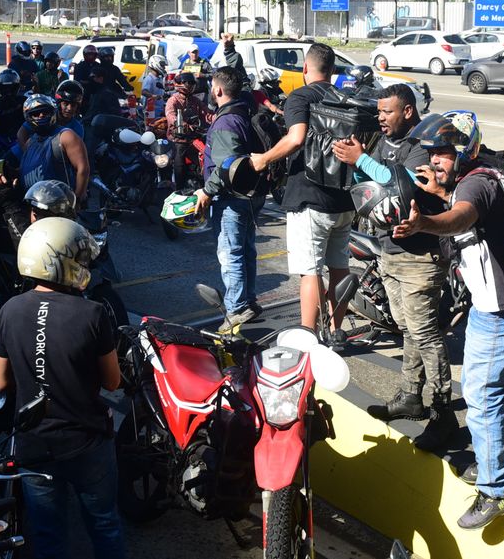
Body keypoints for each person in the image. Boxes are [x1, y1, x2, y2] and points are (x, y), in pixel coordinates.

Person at [391, 109, 504, 530]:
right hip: (495, 307)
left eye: (443, 153)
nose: (435, 159)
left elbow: (463, 217)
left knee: (481, 397)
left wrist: (426, 222)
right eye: (433, 152)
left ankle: (496, 491)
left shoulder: (476, 184)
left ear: (464, 152)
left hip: (502, 313)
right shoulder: (471, 176)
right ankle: (490, 464)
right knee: (483, 395)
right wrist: (438, 190)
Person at [0, 217, 126, 559]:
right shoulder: (93, 313)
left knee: (49, 536)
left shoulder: (9, 310)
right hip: (87, 441)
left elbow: (1, 381)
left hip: (34, 444)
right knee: (104, 525)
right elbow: (113, 381)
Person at [332, 84, 454, 449]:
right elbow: (367, 183)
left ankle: (442, 413)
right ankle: (410, 395)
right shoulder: (382, 143)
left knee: (427, 334)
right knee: (407, 328)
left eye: (387, 112)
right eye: (380, 112)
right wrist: (353, 166)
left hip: (420, 257)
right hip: (390, 250)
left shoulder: (420, 148)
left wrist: (361, 160)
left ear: (408, 112)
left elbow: (401, 185)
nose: (380, 117)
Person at [250, 43, 354, 337]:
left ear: (305, 68)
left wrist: (264, 159)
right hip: (345, 200)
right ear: (333, 70)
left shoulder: (300, 97)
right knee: (339, 268)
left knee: (310, 271)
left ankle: (307, 335)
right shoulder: (345, 97)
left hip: (310, 200)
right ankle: (335, 330)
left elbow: (295, 138)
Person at [195, 67, 263, 332]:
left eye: (213, 86)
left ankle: (235, 309)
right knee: (246, 250)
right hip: (251, 196)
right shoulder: (245, 110)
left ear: (218, 90)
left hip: (231, 198)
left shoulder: (225, 122)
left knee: (231, 253)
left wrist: (206, 191)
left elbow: (226, 166)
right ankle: (249, 301)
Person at [17, 95, 90, 203]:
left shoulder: (65, 136)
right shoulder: (30, 142)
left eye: (45, 112)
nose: (41, 116)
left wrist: (77, 200)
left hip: (60, 206)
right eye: (36, 114)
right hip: (34, 205)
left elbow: (83, 169)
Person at [164, 72, 212, 191]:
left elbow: (207, 113)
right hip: (178, 139)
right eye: (187, 83)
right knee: (179, 166)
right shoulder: (173, 100)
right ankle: (178, 190)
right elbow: (170, 115)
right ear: (180, 84)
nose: (190, 85)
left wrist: (219, 118)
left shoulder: (195, 100)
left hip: (194, 137)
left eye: (192, 83)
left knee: (206, 157)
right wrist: (182, 124)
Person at [0, 68, 26, 138]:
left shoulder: (24, 100)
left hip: (21, 136)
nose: (8, 91)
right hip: (0, 139)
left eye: (11, 88)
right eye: (5, 88)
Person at [139, 55, 169, 119]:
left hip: (160, 110)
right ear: (155, 64)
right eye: (162, 65)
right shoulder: (149, 79)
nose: (164, 68)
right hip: (151, 112)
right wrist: (154, 96)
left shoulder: (159, 78)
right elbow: (144, 91)